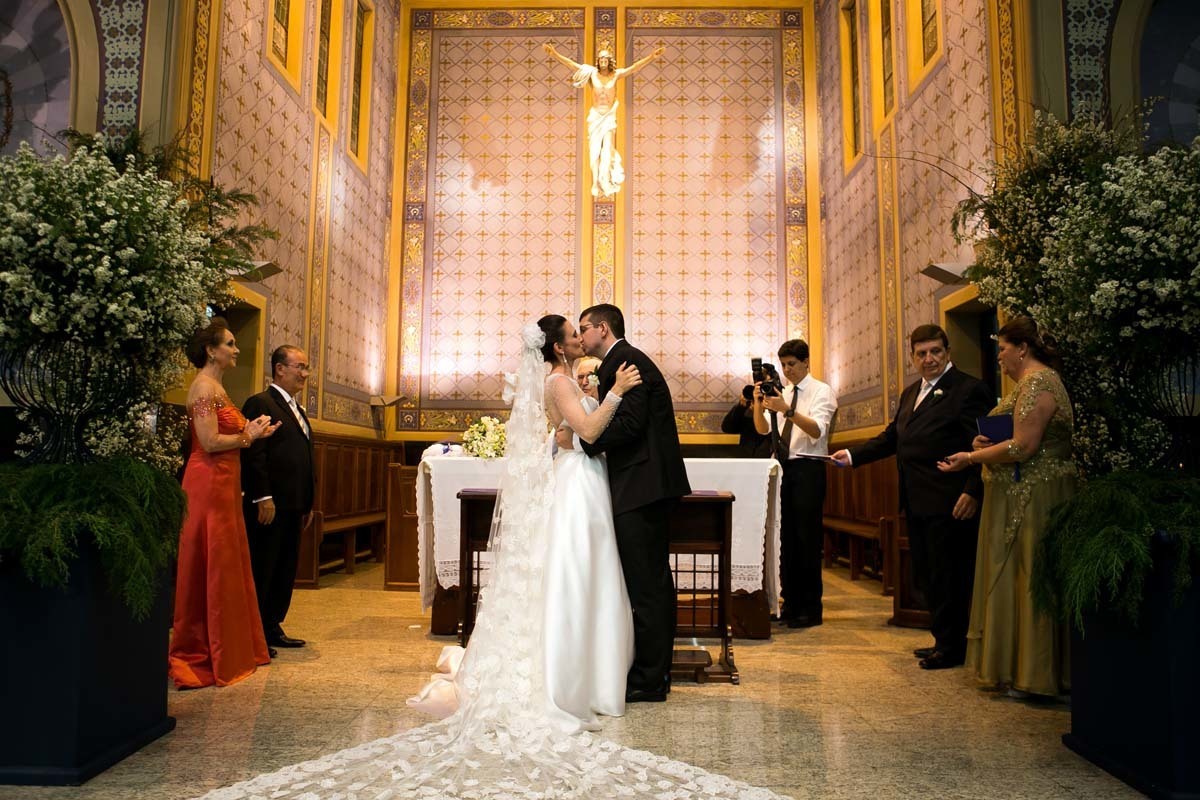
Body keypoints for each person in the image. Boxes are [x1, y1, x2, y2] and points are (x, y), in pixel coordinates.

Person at [195, 321, 788, 799]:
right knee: (580, 575)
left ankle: (602, 664)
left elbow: (574, 433)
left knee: (587, 576)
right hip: (580, 482)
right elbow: (584, 430)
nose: (580, 340)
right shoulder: (562, 383)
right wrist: (610, 396)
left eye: (583, 332)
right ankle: (585, 670)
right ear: (558, 346)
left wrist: (588, 412)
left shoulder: (566, 378)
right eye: (573, 335)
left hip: (586, 483)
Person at [831, 324, 994, 669]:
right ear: (912, 357)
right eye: (921, 353)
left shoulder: (968, 390)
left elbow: (982, 448)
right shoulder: (911, 393)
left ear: (948, 352)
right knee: (928, 574)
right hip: (916, 499)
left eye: (935, 351)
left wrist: (972, 491)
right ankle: (942, 638)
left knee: (949, 576)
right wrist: (853, 455)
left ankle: (952, 648)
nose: (928, 359)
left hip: (951, 501)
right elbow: (893, 437)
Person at [561, 303, 692, 703]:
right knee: (645, 581)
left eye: (584, 328)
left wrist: (583, 440)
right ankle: (649, 671)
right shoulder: (617, 363)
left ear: (603, 328)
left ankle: (652, 679)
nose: (580, 336)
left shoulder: (626, 361)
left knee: (649, 584)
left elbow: (631, 425)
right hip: (639, 484)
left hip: (643, 485)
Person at [938, 316, 1075, 697]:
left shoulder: (1038, 383)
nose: (998, 356)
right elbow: (1012, 437)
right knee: (1018, 574)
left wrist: (970, 457)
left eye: (1002, 349)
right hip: (1023, 490)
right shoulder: (1030, 384)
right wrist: (983, 444)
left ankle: (1035, 673)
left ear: (1022, 349)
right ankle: (1018, 667)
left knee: (1030, 573)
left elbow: (1023, 446)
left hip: (1036, 494)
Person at [169, 318, 280, 689]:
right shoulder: (203, 387)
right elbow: (209, 442)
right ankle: (202, 650)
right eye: (230, 344)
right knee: (210, 561)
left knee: (227, 561)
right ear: (210, 350)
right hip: (208, 483)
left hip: (225, 482)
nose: (236, 349)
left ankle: (229, 644)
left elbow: (229, 434)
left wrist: (256, 431)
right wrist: (248, 437)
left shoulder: (217, 387)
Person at [752, 340, 837, 628]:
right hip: (783, 468)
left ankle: (810, 608)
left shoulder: (821, 391)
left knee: (806, 539)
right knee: (785, 538)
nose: (787, 370)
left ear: (805, 362)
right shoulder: (784, 392)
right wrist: (759, 403)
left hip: (808, 468)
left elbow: (817, 430)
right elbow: (763, 429)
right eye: (784, 365)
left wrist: (787, 410)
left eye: (792, 364)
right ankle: (790, 602)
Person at [241, 346, 315, 652]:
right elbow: (254, 454)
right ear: (280, 369)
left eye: (306, 368)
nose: (305, 374)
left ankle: (272, 626)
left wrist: (308, 502)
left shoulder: (297, 409)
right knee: (265, 566)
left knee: (285, 568)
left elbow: (303, 457)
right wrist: (263, 496)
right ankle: (253, 632)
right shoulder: (261, 402)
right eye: (300, 367)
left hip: (294, 504)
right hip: (271, 504)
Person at [544, 43, 665, 198]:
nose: (602, 61)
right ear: (598, 61)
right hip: (596, 115)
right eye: (600, 59)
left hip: (608, 116)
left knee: (607, 148)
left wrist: (651, 57)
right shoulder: (591, 73)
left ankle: (604, 180)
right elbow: (571, 64)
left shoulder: (616, 75)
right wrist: (554, 54)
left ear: (609, 61)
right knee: (594, 149)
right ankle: (595, 182)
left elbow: (634, 68)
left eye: (605, 59)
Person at [722, 383, 772, 457]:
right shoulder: (746, 411)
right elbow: (727, 428)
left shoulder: (774, 412)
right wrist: (741, 406)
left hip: (767, 457)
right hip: (746, 456)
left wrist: (762, 409)